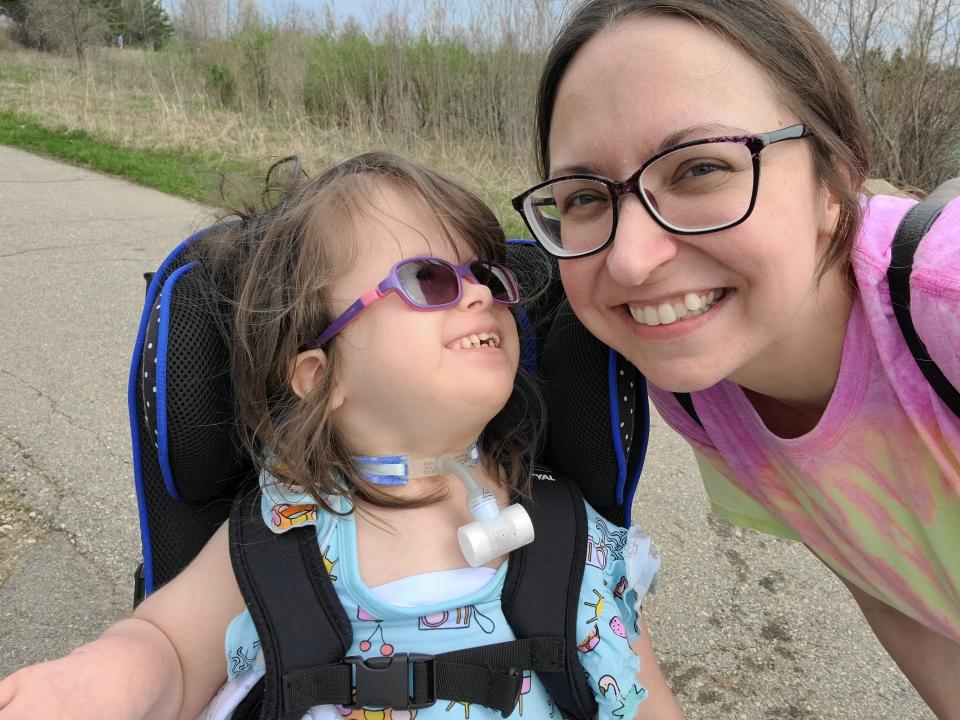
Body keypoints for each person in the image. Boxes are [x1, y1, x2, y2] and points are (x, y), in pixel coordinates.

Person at [0, 152, 681, 719]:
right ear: (321, 377)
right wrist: (100, 682)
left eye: (487, 274)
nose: (478, 294)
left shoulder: (571, 534)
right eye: (428, 279)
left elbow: (644, 699)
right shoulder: (280, 536)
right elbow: (171, 650)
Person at [511, 0, 960, 717]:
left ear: (833, 176)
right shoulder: (698, 388)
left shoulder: (948, 299)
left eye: (698, 169)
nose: (630, 261)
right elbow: (892, 583)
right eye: (585, 197)